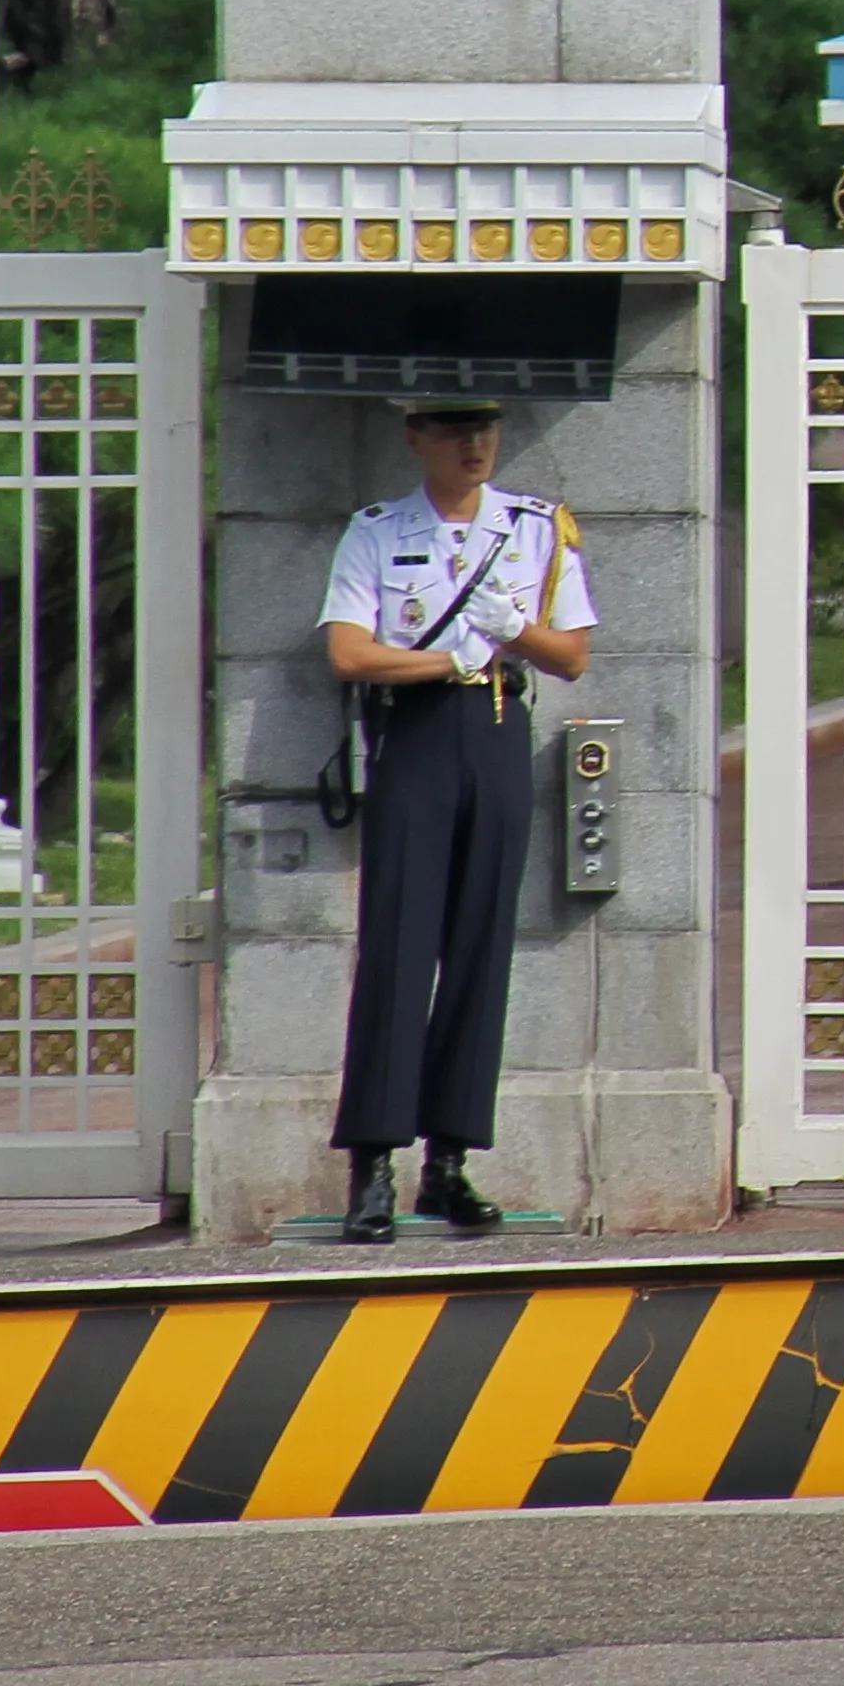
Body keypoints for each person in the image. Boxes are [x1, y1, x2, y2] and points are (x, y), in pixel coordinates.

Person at [319, 399, 594, 1243]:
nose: (473, 444)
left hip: (502, 729)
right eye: (451, 429)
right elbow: (348, 651)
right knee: (399, 947)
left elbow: (574, 656)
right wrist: (445, 658)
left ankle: (448, 1165)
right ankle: (373, 1167)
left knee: (482, 948)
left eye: (485, 428)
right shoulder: (376, 529)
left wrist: (516, 628)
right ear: (415, 437)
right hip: (419, 733)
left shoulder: (538, 527)